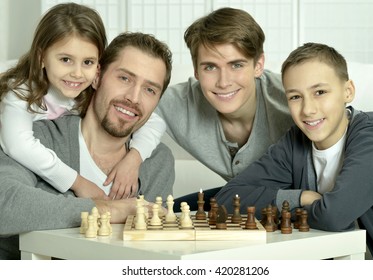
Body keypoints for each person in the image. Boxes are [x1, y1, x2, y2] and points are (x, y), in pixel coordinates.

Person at [0, 31, 175, 260]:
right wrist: (109, 209)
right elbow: (5, 204)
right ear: (97, 76)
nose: (134, 97)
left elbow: (151, 257)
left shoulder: (157, 162)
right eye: (124, 78)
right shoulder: (39, 138)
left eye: (149, 90)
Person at [215, 42, 373, 260]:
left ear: (348, 91)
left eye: (320, 92)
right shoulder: (295, 142)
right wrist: (302, 197)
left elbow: (334, 216)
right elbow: (228, 198)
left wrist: (284, 212)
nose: (308, 109)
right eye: (295, 97)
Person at [0, 3, 166, 200]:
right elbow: (18, 146)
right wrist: (78, 182)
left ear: (98, 68)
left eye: (87, 62)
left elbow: (154, 122)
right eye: (66, 60)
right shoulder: (21, 92)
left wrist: (134, 159)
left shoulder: (85, 89)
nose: (77, 74)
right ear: (41, 57)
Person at [151, 7, 294, 209]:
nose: (223, 82)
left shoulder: (292, 100)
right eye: (210, 67)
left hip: (299, 201)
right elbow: (130, 105)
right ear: (196, 71)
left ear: (258, 65)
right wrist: (134, 155)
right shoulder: (178, 102)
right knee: (166, 214)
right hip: (239, 199)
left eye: (236, 65)